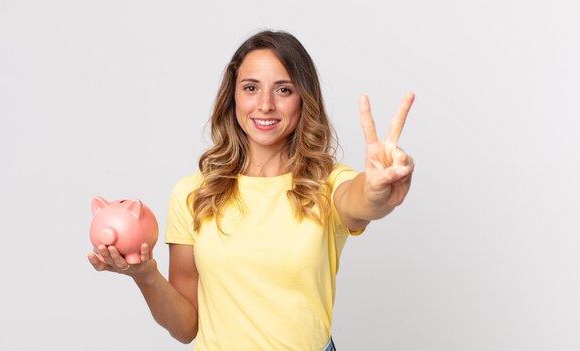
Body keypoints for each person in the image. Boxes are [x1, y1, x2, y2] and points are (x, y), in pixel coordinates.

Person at [87, 29, 415, 351]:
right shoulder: (193, 194)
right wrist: (145, 274)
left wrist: (376, 191)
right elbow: (187, 328)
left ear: (304, 99)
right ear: (233, 96)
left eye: (284, 90)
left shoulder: (326, 184)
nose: (265, 104)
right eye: (251, 87)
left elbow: (360, 201)